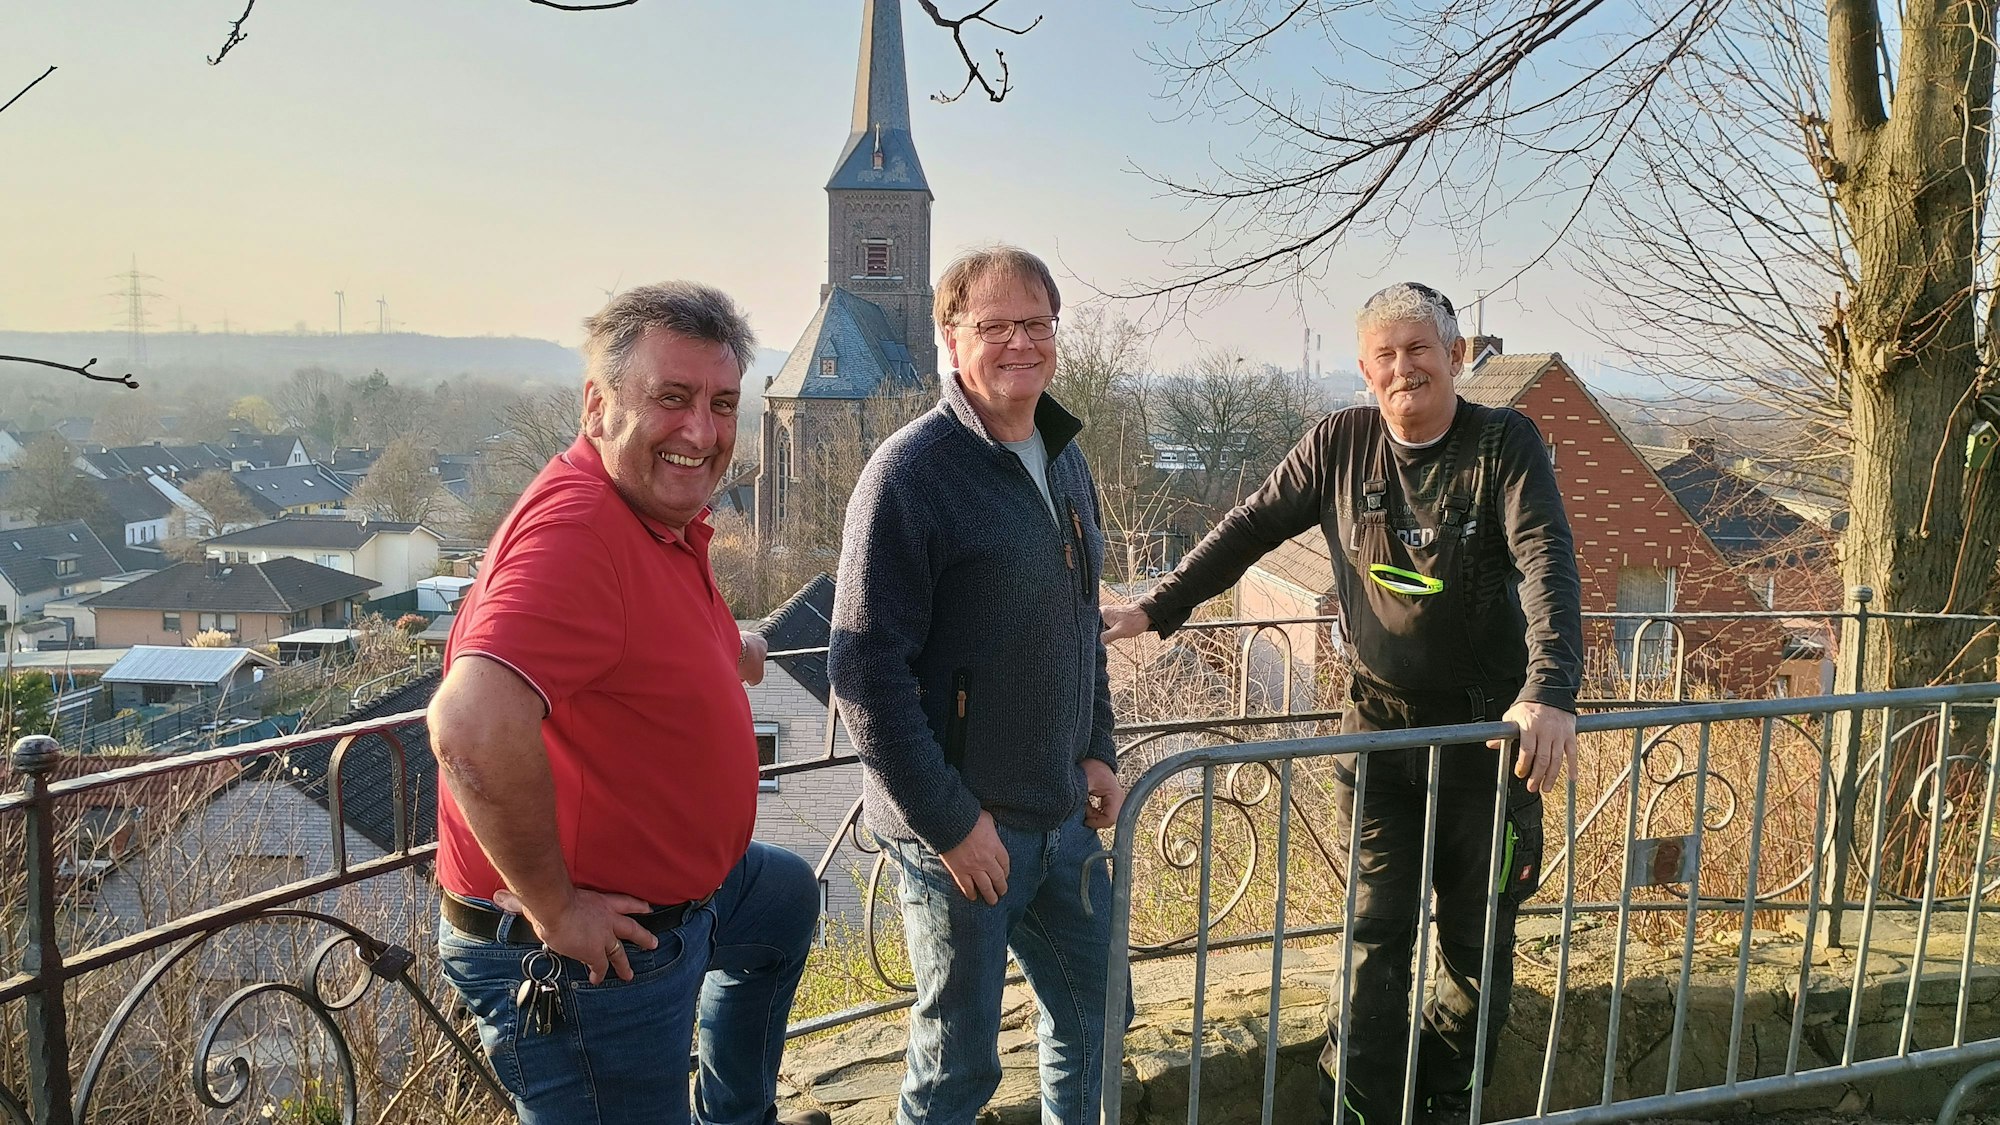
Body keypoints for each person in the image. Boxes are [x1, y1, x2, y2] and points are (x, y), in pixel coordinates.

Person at [1102, 282, 1584, 1125]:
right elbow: (1250, 527)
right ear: (1365, 370)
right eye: (1385, 356)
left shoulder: (1503, 443)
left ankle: (1443, 1105)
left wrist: (1549, 689)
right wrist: (1155, 608)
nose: (1404, 369)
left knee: (1476, 948)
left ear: (1456, 356)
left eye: (1421, 350)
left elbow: (1546, 555)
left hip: (1487, 740)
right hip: (1379, 734)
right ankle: (1357, 1109)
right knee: (1373, 939)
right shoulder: (1341, 443)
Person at [428, 282, 827, 1125]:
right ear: (597, 403)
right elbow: (470, 724)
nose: (703, 430)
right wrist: (555, 907)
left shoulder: (652, 514)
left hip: (696, 891)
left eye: (722, 404)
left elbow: (643, 640)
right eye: (672, 398)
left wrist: (734, 653)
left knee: (788, 899)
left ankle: (736, 1114)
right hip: (597, 956)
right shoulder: (576, 534)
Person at [828, 245, 1127, 1125]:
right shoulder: (909, 476)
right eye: (993, 326)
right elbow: (865, 670)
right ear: (950, 340)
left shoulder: (1063, 454)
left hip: (1062, 813)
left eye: (1035, 324)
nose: (1019, 344)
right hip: (961, 839)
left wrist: (1098, 747)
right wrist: (953, 824)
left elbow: (1083, 616)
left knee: (1097, 1022)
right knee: (957, 1071)